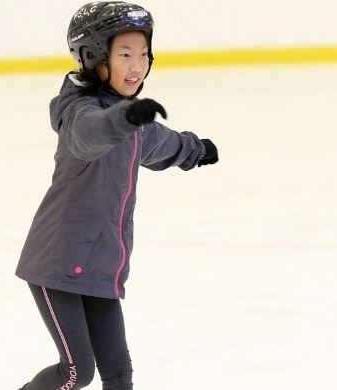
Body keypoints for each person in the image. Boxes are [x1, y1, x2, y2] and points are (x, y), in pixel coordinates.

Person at [15, 2, 218, 389]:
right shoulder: (79, 111)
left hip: (100, 265)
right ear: (93, 57)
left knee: (119, 372)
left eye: (143, 54)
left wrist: (196, 149)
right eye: (125, 54)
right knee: (75, 373)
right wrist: (124, 119)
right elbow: (90, 135)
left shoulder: (132, 121)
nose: (137, 65)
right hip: (57, 263)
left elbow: (162, 143)